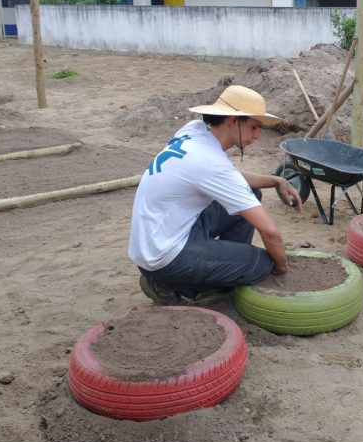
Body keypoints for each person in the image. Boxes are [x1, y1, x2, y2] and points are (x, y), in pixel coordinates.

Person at [128, 84, 303, 305]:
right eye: (254, 127)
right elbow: (270, 231)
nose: (258, 135)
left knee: (252, 193)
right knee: (261, 263)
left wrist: (275, 180)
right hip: (164, 255)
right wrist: (281, 268)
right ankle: (172, 285)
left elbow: (228, 178)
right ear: (232, 121)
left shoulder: (193, 131)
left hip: (158, 237)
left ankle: (219, 272)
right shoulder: (209, 162)